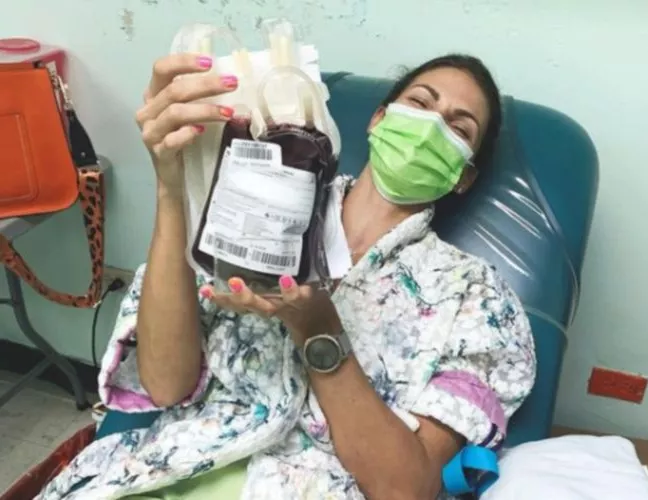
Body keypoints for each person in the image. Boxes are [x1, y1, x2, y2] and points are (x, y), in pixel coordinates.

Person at [40, 53, 536, 500]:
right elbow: (166, 385)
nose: (429, 127)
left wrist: (318, 332)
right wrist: (174, 189)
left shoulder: (475, 298)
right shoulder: (255, 202)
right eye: (420, 103)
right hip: (167, 472)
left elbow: (403, 489)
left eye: (458, 128)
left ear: (464, 175)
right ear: (379, 120)